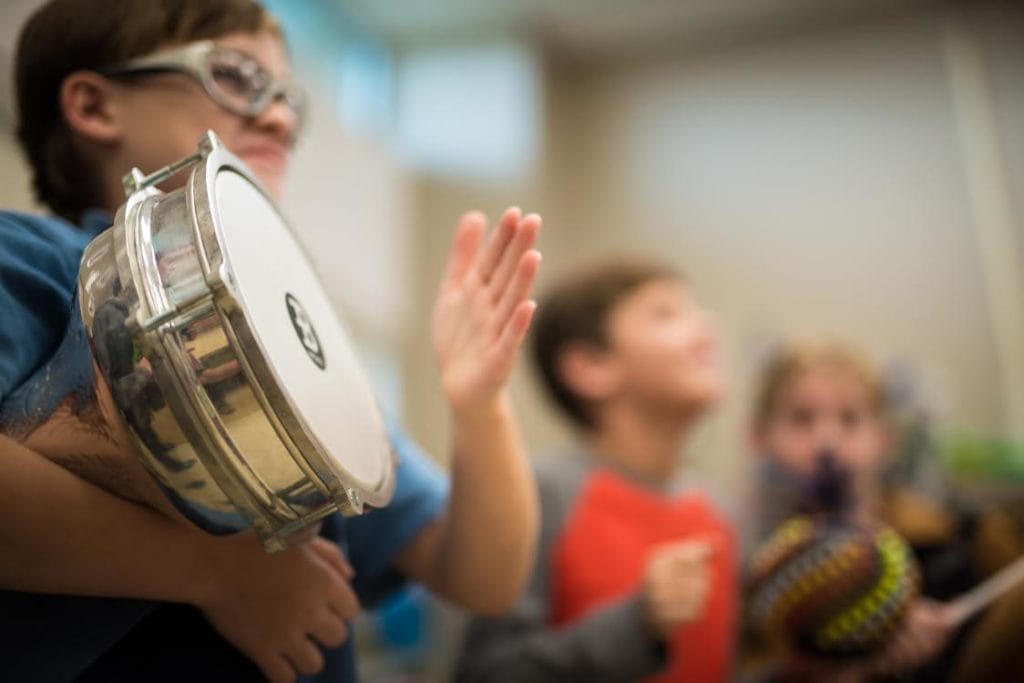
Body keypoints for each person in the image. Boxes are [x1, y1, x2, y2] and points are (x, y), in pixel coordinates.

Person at [0, 1, 541, 681]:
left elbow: (481, 579)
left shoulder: (299, 345)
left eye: (287, 96)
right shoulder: (31, 258)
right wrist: (216, 571)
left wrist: (480, 406)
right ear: (95, 106)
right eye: (235, 77)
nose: (281, 118)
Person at [456, 259, 737, 682]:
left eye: (696, 310)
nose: (707, 327)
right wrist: (636, 623)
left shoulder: (720, 510)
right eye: (665, 314)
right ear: (589, 367)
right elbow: (486, 672)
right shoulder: (538, 494)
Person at [746, 340, 973, 682]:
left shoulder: (940, 549)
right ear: (759, 436)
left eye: (849, 419)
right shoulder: (755, 567)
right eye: (802, 418)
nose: (827, 438)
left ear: (887, 438)